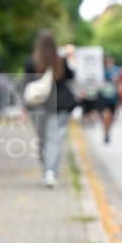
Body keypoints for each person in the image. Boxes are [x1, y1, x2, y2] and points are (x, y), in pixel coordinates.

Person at [24, 31, 77, 188]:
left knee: (44, 139)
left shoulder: (31, 62)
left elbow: (26, 83)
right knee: (55, 140)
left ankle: (48, 169)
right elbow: (71, 76)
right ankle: (50, 171)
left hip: (38, 106)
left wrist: (24, 107)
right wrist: (71, 58)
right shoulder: (60, 60)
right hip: (59, 105)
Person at [99, 55, 121, 144]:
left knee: (111, 117)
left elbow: (121, 83)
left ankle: (108, 130)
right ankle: (105, 133)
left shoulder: (117, 70)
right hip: (104, 98)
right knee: (105, 115)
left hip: (113, 98)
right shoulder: (101, 71)